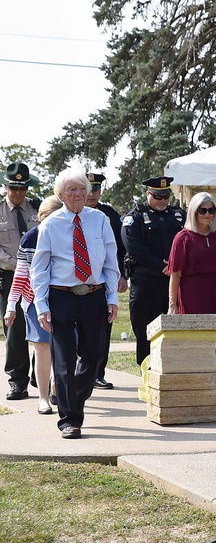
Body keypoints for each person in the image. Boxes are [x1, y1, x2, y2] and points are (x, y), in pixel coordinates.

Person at [31, 168, 120, 439]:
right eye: (72, 190)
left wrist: (112, 297)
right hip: (61, 298)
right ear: (61, 195)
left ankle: (74, 400)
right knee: (64, 359)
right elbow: (40, 268)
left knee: (92, 358)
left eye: (83, 189)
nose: (80, 194)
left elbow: (110, 262)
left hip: (93, 296)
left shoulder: (100, 220)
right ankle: (70, 419)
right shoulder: (50, 225)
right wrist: (42, 305)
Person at [4, 195, 63, 414]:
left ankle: (58, 388)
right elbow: (20, 275)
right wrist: (12, 304)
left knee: (64, 349)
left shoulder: (69, 237)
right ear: (40, 218)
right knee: (42, 349)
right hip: (34, 302)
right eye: (48, 219)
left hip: (65, 300)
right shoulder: (30, 238)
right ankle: (43, 398)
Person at [167, 192, 216, 357]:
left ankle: (208, 375)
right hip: (191, 292)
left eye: (211, 210)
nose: (208, 214)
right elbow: (176, 273)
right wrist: (173, 304)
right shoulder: (182, 238)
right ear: (194, 211)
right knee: (193, 336)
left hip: (214, 290)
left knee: (213, 334)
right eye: (203, 210)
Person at [122, 176, 186, 366]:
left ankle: (171, 367)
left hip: (173, 282)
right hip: (146, 281)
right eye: (158, 197)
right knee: (145, 329)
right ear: (148, 194)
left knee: (173, 328)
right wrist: (162, 265)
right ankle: (146, 368)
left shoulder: (178, 215)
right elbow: (133, 247)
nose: (162, 201)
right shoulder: (135, 217)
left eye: (165, 197)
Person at [1, 162, 41, 401]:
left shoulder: (37, 209)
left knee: (41, 323)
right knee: (15, 330)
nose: (18, 193)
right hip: (9, 276)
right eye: (14, 188)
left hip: (38, 277)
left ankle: (40, 374)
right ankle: (17, 381)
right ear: (6, 186)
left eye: (22, 188)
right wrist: (18, 265)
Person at [85, 172, 127, 391]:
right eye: (89, 188)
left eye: (96, 189)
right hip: (76, 281)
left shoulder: (109, 214)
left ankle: (98, 373)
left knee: (104, 327)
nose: (92, 194)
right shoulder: (72, 212)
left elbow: (120, 249)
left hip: (104, 280)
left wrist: (122, 275)